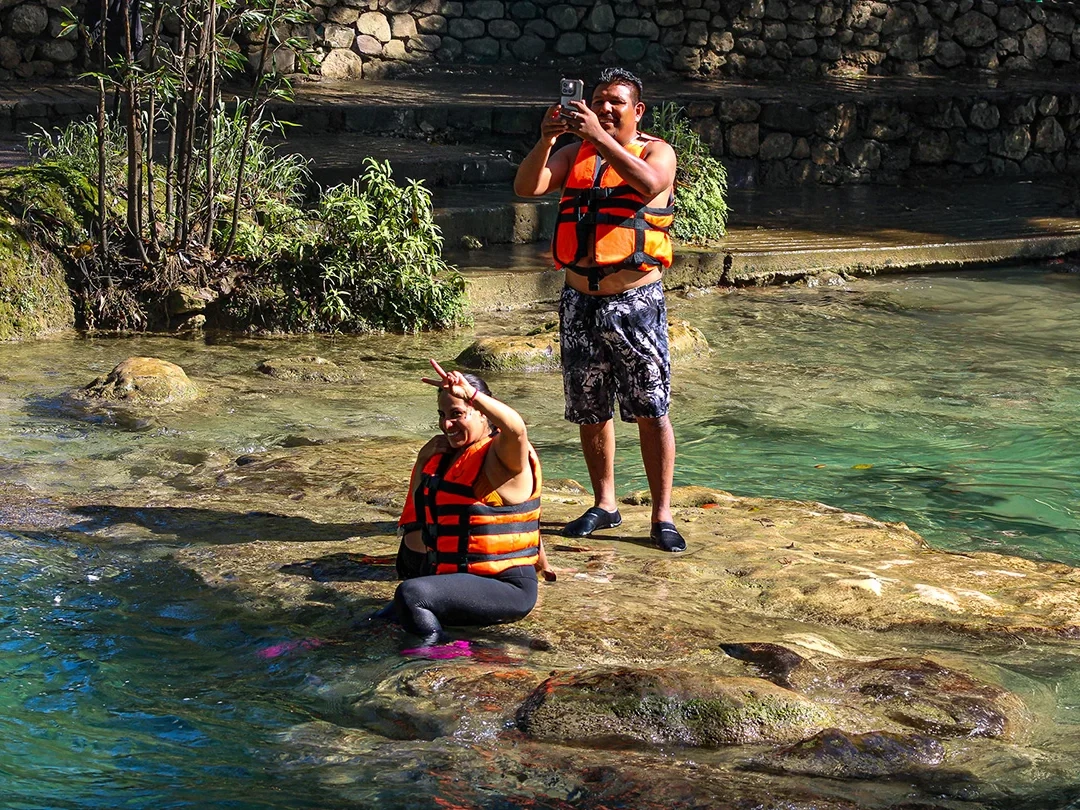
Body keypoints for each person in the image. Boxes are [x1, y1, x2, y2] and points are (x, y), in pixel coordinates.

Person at [513, 67, 686, 553]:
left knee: (651, 408)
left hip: (636, 302)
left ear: (638, 110)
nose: (605, 109)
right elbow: (527, 187)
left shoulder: (656, 152)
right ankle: (605, 503)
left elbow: (649, 185)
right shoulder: (575, 153)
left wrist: (598, 137)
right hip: (578, 300)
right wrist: (547, 141)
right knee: (589, 407)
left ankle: (661, 514)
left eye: (615, 102)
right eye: (598, 101)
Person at [392, 360, 554, 646]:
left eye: (457, 414)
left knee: (411, 595)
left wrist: (472, 395)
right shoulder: (447, 455)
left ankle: (440, 654)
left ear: (482, 414)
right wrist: (422, 458)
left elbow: (517, 429)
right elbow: (420, 510)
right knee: (376, 621)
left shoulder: (502, 457)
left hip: (506, 586)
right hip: (462, 581)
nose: (446, 424)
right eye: (442, 415)